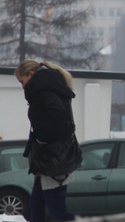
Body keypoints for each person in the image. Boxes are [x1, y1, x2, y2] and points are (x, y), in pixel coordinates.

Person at [16, 60, 79, 222]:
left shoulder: (43, 91)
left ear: (31, 74)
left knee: (57, 211)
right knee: (36, 206)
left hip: (53, 159)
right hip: (53, 157)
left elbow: (55, 117)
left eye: (21, 82)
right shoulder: (50, 87)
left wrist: (42, 141)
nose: (22, 87)